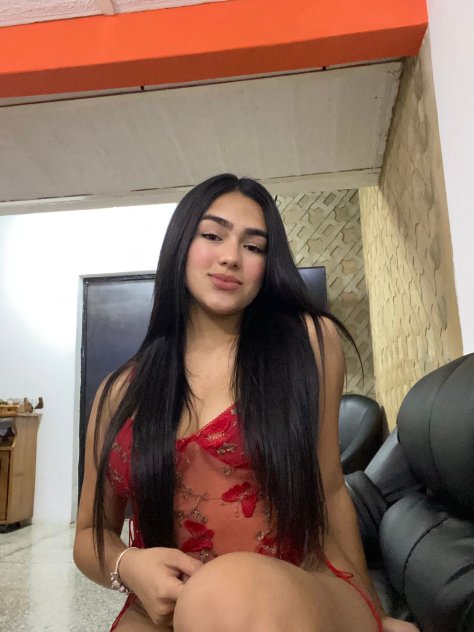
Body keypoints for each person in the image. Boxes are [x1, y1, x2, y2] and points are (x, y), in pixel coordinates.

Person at [73, 174, 420, 632]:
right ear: (180, 244)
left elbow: (331, 490)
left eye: (253, 246)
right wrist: (129, 566)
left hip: (300, 587)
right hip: (172, 609)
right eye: (212, 235)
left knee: (226, 593)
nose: (231, 256)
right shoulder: (118, 393)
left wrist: (376, 617)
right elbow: (89, 535)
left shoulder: (307, 344)